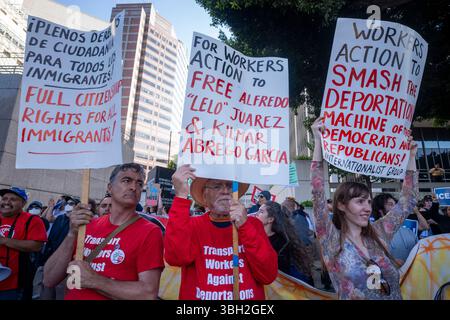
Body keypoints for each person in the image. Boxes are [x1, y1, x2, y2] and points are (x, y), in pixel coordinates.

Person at [310, 117, 418, 300]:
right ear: (341, 205)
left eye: (369, 202)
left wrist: (411, 156)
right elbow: (318, 193)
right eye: (360, 202)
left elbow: (408, 200)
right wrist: (318, 141)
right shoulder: (331, 239)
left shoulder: (380, 231)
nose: (367, 207)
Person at [43, 163, 164, 300]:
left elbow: (148, 293)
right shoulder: (87, 225)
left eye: (139, 183)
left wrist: (94, 280)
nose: (133, 187)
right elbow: (48, 279)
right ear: (110, 188)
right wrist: (72, 234)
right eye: (126, 180)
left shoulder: (150, 232)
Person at [164, 164, 278, 300]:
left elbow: (268, 275)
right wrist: (181, 196)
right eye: (217, 186)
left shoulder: (253, 225)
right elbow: (175, 258)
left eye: (230, 186)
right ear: (204, 196)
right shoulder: (193, 225)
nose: (225, 191)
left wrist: (245, 227)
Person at [0, 187, 47, 300]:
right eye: (4, 198)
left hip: (14, 286)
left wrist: (4, 240)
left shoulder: (33, 220)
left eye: (13, 199)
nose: (7, 202)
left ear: (23, 203)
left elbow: (36, 246)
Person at [255, 201, 313, 285]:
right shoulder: (255, 237)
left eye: (261, 212)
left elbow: (281, 272)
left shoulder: (282, 242)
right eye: (258, 210)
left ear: (270, 219)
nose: (256, 214)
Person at [372, 193, 418, 265]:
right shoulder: (372, 232)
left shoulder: (408, 231)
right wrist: (391, 262)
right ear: (380, 210)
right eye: (390, 204)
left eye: (396, 204)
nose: (397, 208)